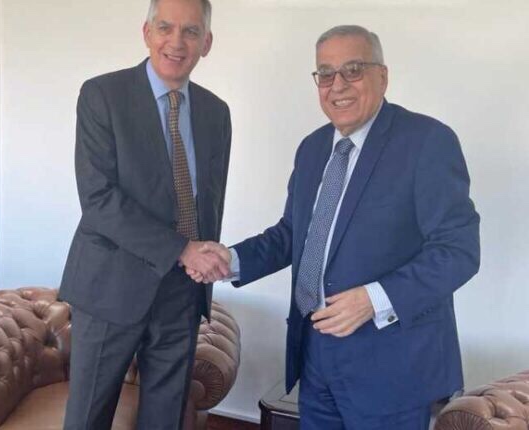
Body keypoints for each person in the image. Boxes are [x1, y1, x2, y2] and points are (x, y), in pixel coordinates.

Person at [191, 25, 480, 429]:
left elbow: (458, 251)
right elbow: (293, 234)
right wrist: (230, 260)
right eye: (325, 74)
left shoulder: (426, 141)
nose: (337, 85)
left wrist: (374, 299)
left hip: (392, 365)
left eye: (353, 70)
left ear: (383, 76)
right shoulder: (312, 148)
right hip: (315, 355)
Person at [58, 0, 231, 428]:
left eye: (191, 31)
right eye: (165, 27)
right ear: (147, 33)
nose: (177, 42)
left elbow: (209, 201)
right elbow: (98, 199)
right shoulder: (102, 95)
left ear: (207, 43)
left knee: (165, 419)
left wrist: (204, 260)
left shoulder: (216, 113)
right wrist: (182, 249)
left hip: (182, 292)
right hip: (110, 287)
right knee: (87, 418)